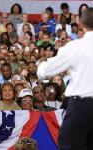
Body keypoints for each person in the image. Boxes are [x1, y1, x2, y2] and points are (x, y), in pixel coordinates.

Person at [37, 7, 93, 150]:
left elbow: (46, 71)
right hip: (82, 105)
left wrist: (40, 66)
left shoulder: (76, 47)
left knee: (69, 145)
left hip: (82, 106)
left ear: (80, 24)